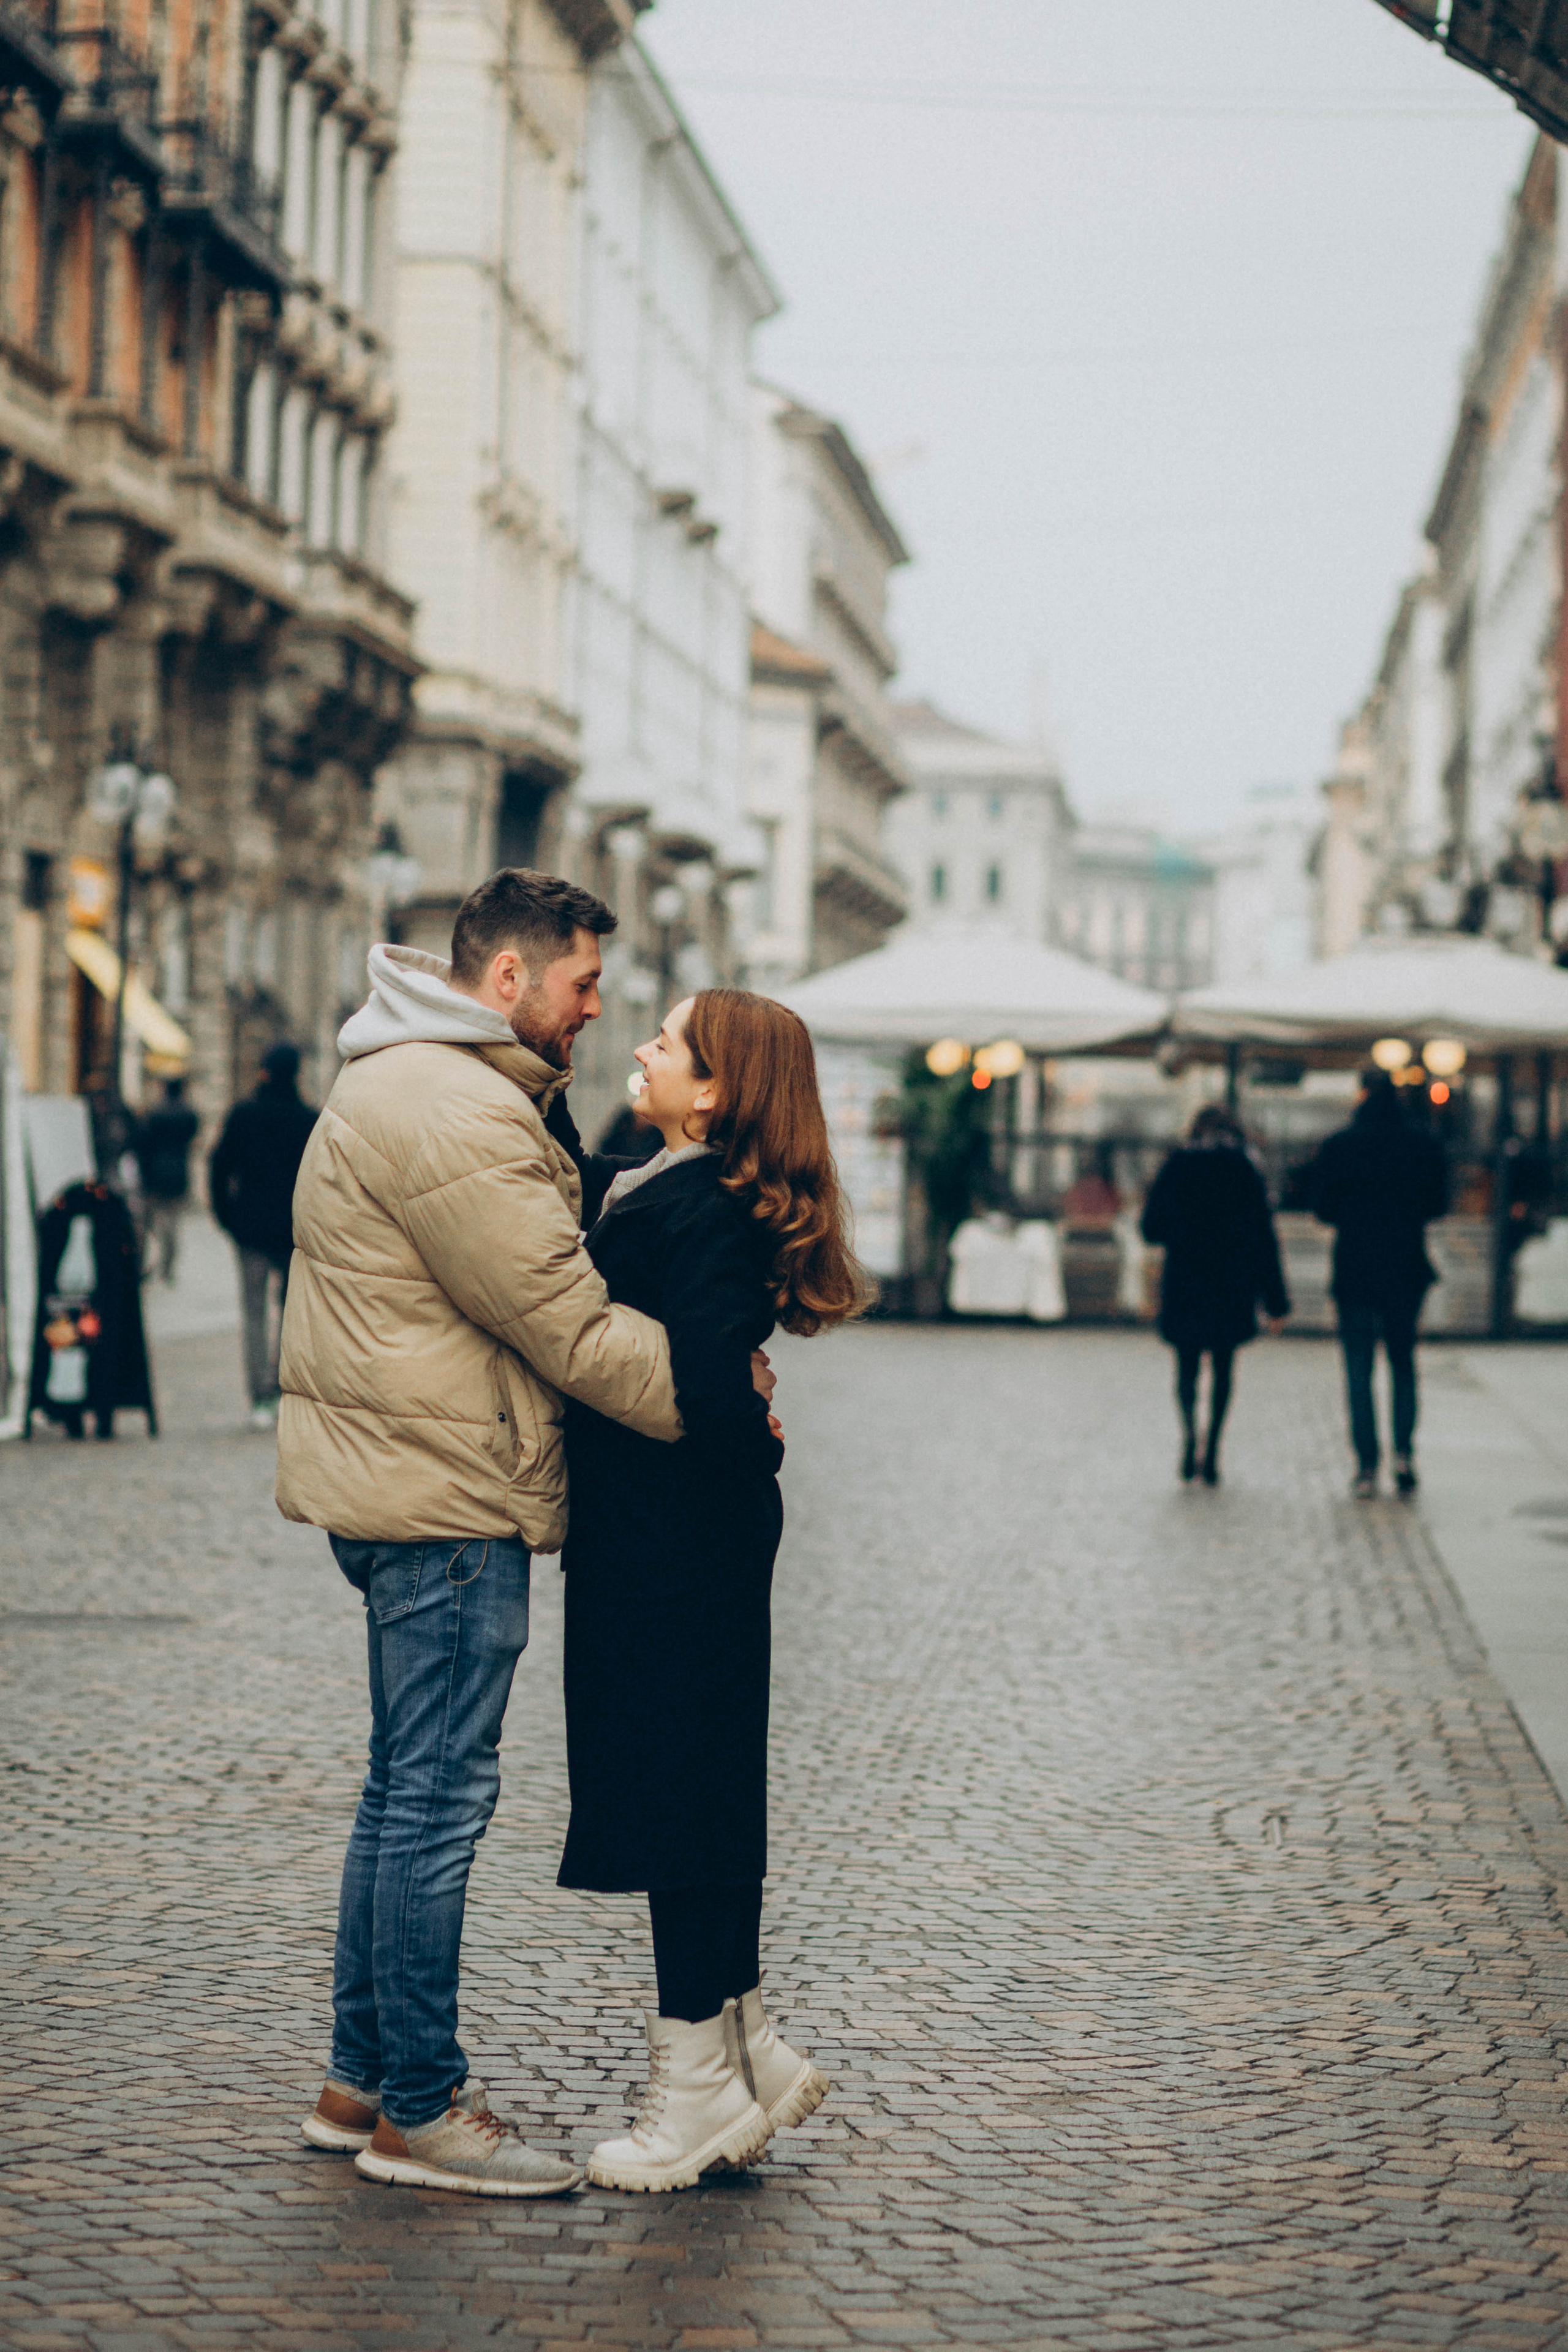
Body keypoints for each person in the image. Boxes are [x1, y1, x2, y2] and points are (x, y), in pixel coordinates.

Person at [276, 869, 772, 2203]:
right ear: (507, 980)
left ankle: (358, 2081)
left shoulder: (418, 1084)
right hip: (445, 1494)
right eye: (582, 985)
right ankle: (422, 2113)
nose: (595, 1013)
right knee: (433, 1803)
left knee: (399, 1795)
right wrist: (717, 1396)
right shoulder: (455, 1109)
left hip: (402, 1478)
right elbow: (560, 1318)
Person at [559, 987, 869, 2195]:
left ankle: (692, 2092)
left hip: (671, 1541)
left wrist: (754, 1439)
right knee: (703, 1789)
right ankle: (738, 2052)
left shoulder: (697, 1208)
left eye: (668, 1042)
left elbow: (712, 1394)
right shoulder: (680, 1183)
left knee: (676, 1798)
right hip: (687, 1536)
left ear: (720, 1090)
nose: (641, 1047)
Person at [1305, 1067, 1449, 1498]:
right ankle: (1404, 1453)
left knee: (1358, 1368)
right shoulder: (1422, 1143)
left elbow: (1324, 1209)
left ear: (1362, 1094)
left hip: (1355, 1266)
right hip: (1406, 1265)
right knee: (1403, 1362)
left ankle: (1367, 1465)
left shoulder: (1339, 1145)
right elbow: (1438, 1204)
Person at [1140, 1104, 1290, 1487]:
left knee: (1186, 1365)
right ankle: (1214, 1447)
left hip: (1186, 1278)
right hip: (1231, 1282)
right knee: (1224, 1367)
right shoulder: (1244, 1169)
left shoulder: (1177, 1164)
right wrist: (1276, 1300)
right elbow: (1264, 1237)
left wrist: (1183, 1230)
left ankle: (1190, 1434)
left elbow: (1150, 1227)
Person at [209, 1042, 318, 1430]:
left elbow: (219, 1166)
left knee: (253, 1312)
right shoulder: (308, 1119)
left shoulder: (244, 1114)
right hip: (292, 1230)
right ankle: (278, 1386)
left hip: (250, 1229)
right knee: (289, 1313)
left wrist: (226, 1216)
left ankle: (259, 1395)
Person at [134, 1076, 200, 1287]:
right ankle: (167, 1268)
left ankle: (144, 1266)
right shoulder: (188, 1114)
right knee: (172, 1226)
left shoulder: (154, 1114)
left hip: (154, 1176)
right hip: (178, 1176)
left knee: (147, 1225)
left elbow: (142, 1144)